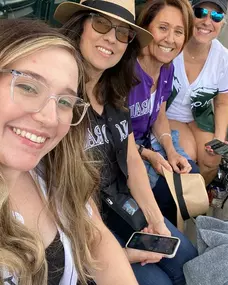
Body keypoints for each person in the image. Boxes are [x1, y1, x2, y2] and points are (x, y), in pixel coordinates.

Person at [54, 0, 197, 284]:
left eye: (122, 32)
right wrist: (118, 254)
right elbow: (66, 197)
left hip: (121, 206)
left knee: (188, 258)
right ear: (80, 24)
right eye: (101, 23)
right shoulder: (59, 98)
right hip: (83, 228)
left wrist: (155, 219)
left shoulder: (115, 90)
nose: (111, 37)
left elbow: (131, 159)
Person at [0, 18, 140, 285]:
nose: (50, 118)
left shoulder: (56, 164)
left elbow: (94, 231)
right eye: (28, 87)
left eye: (65, 101)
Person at [128, 0, 199, 225]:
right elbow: (114, 136)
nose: (170, 39)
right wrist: (149, 155)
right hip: (121, 152)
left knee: (191, 175)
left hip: (147, 142)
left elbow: (159, 115)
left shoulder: (166, 68)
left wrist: (171, 152)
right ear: (146, 28)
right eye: (163, 28)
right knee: (169, 195)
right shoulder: (125, 71)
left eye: (179, 32)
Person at [166, 0, 228, 185]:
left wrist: (219, 139)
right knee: (188, 155)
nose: (207, 21)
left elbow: (222, 103)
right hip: (167, 114)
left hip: (199, 118)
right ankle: (179, 201)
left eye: (216, 16)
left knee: (212, 159)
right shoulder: (172, 45)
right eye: (200, 12)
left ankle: (197, 199)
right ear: (189, 14)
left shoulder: (224, 58)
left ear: (223, 22)